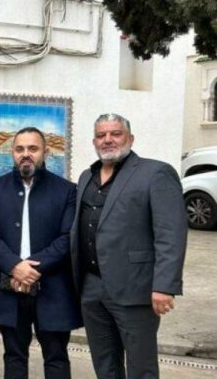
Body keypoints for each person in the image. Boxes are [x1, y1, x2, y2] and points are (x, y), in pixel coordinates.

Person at [70, 113, 187, 378]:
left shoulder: (156, 173)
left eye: (115, 134)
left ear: (130, 138)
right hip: (92, 287)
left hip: (136, 288)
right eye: (101, 135)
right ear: (94, 141)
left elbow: (171, 233)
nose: (108, 140)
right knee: (104, 363)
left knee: (141, 367)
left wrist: (164, 285)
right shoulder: (86, 176)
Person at [0, 127, 81, 379]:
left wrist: (31, 269)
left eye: (32, 149)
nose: (26, 154)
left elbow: (68, 237)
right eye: (20, 149)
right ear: (12, 152)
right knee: (13, 355)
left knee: (56, 356)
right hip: (7, 284)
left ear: (46, 152)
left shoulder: (66, 190)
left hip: (53, 286)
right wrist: (15, 266)